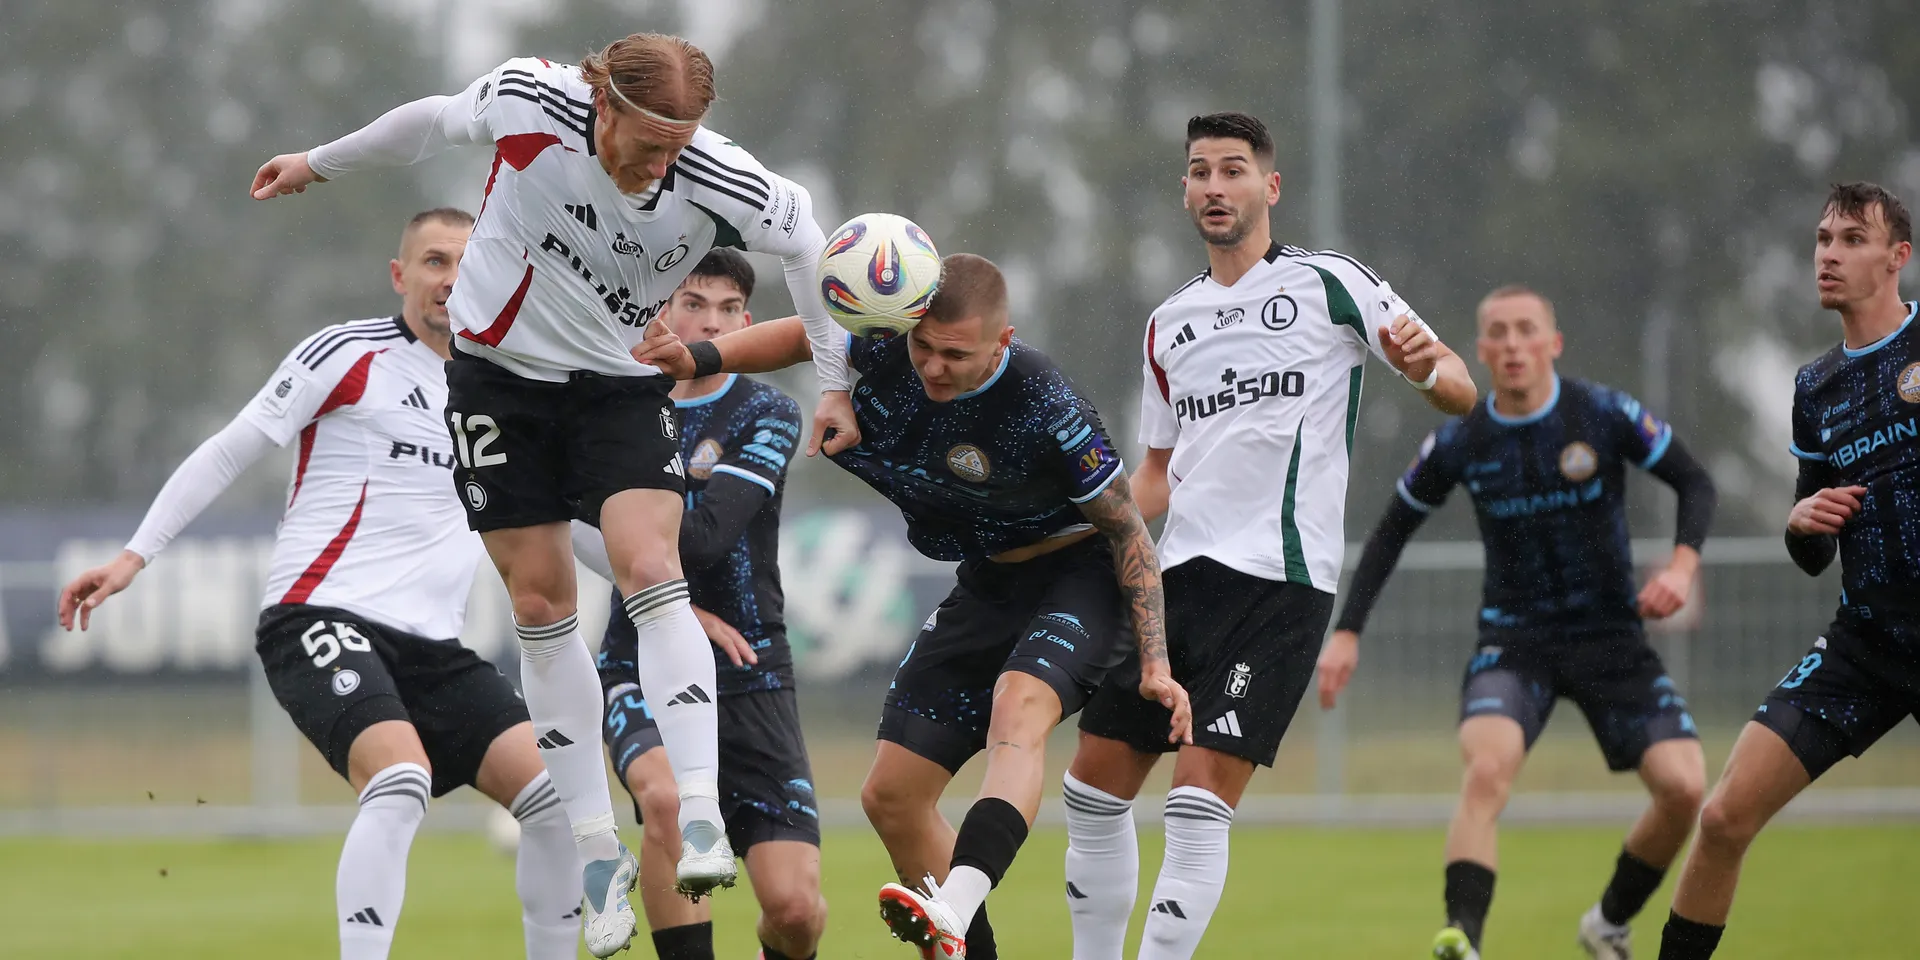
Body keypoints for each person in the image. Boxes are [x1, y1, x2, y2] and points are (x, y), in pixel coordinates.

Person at [248, 32, 857, 955]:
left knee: (652, 565)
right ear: (601, 103)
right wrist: (318, 163)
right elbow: (428, 124)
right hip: (498, 381)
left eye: (680, 141)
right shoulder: (531, 100)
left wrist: (838, 381)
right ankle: (595, 849)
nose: (663, 161)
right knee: (542, 604)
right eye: (649, 138)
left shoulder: (723, 178)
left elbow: (814, 247)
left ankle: (697, 815)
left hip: (616, 386)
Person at [56, 210, 586, 960]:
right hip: (319, 616)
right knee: (401, 779)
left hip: (435, 648)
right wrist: (135, 554)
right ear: (401, 275)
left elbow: (569, 519)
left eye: (469, 264)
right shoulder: (348, 354)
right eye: (434, 262)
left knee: (557, 801)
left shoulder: (509, 393)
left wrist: (664, 595)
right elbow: (230, 448)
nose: (451, 280)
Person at [639, 252, 1192, 959]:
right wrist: (696, 357)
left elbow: (1129, 535)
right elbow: (805, 333)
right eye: (922, 347)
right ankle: (963, 939)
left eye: (955, 355)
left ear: (1003, 341)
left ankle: (955, 905)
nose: (932, 366)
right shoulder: (892, 343)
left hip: (1080, 574)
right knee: (891, 795)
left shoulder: (1045, 401)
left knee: (1016, 712)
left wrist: (1155, 663)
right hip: (988, 580)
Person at [1059, 111, 1479, 960]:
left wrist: (1432, 375)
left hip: (1280, 581)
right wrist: (1069, 525)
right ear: (1185, 189)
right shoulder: (1167, 321)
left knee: (1196, 800)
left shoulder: (1333, 283)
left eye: (1233, 170)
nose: (1216, 186)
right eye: (1200, 172)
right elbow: (1154, 475)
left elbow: (1460, 386)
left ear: (1269, 187)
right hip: (1175, 582)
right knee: (1090, 794)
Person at [1322, 283, 1717, 960]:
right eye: (1497, 333)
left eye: (1525, 330)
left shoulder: (1601, 413)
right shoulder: (1462, 439)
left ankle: (1608, 923)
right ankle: (1462, 941)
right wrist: (1348, 631)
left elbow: (1695, 482)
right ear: (1479, 350)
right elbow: (1389, 534)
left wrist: (1681, 568)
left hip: (1612, 641)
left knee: (1686, 790)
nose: (1511, 345)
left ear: (1552, 343)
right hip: (1514, 643)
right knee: (1486, 769)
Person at [1657, 182, 1917, 960]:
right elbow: (1811, 550)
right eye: (1822, 239)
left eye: (1850, 240)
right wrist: (1799, 523)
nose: (1828, 255)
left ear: (1897, 257)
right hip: (1864, 647)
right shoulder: (1816, 387)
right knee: (1723, 816)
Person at [571, 249, 826, 960]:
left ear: (746, 322)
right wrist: (674, 609)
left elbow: (710, 538)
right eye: (691, 302)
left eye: (725, 309)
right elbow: (571, 529)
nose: (707, 321)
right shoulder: (619, 408)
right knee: (664, 804)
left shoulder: (769, 410)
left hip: (751, 669)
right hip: (636, 659)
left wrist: (624, 528)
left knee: (796, 909)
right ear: (662, 311)